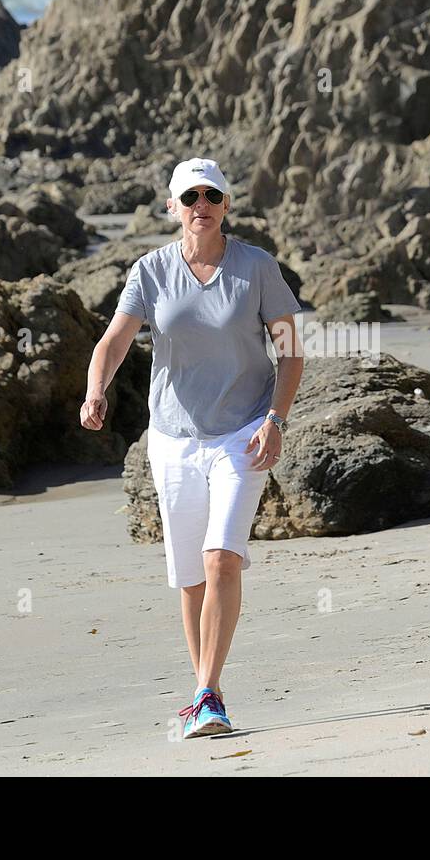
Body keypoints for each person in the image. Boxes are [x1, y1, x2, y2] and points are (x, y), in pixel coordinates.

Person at [80, 157, 305, 737]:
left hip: (242, 432)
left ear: (226, 204)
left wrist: (275, 419)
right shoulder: (151, 271)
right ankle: (209, 688)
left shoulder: (256, 268)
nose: (200, 206)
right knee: (190, 578)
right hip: (173, 440)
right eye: (189, 198)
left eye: (211, 196)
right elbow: (114, 341)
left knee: (221, 556)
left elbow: (290, 351)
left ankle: (206, 693)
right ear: (172, 208)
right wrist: (94, 391)